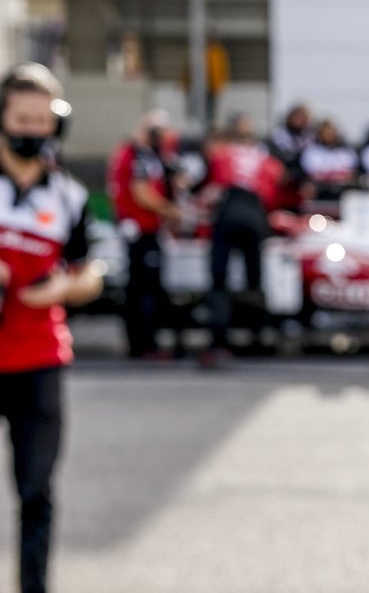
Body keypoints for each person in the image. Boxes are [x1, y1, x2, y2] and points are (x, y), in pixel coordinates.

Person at [0, 63, 102, 593]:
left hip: (38, 360)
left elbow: (89, 273)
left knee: (36, 491)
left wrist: (65, 288)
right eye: (23, 119)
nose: (32, 130)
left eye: (43, 120)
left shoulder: (69, 197)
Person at [199, 113, 283, 368]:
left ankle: (218, 341)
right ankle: (257, 337)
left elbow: (209, 188)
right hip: (255, 216)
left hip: (229, 212)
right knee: (254, 279)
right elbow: (274, 193)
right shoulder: (267, 161)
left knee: (219, 280)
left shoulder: (223, 155)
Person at [107, 109, 182, 360]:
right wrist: (171, 211)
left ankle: (140, 343)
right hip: (142, 232)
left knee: (139, 289)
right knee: (146, 289)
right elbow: (142, 193)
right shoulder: (137, 156)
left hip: (139, 231)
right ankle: (144, 344)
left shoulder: (139, 154)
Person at [299, 118, 359, 205]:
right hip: (321, 192)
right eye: (326, 133)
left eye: (332, 132)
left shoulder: (346, 152)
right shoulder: (311, 152)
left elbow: (351, 174)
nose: (330, 135)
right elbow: (313, 176)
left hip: (343, 192)